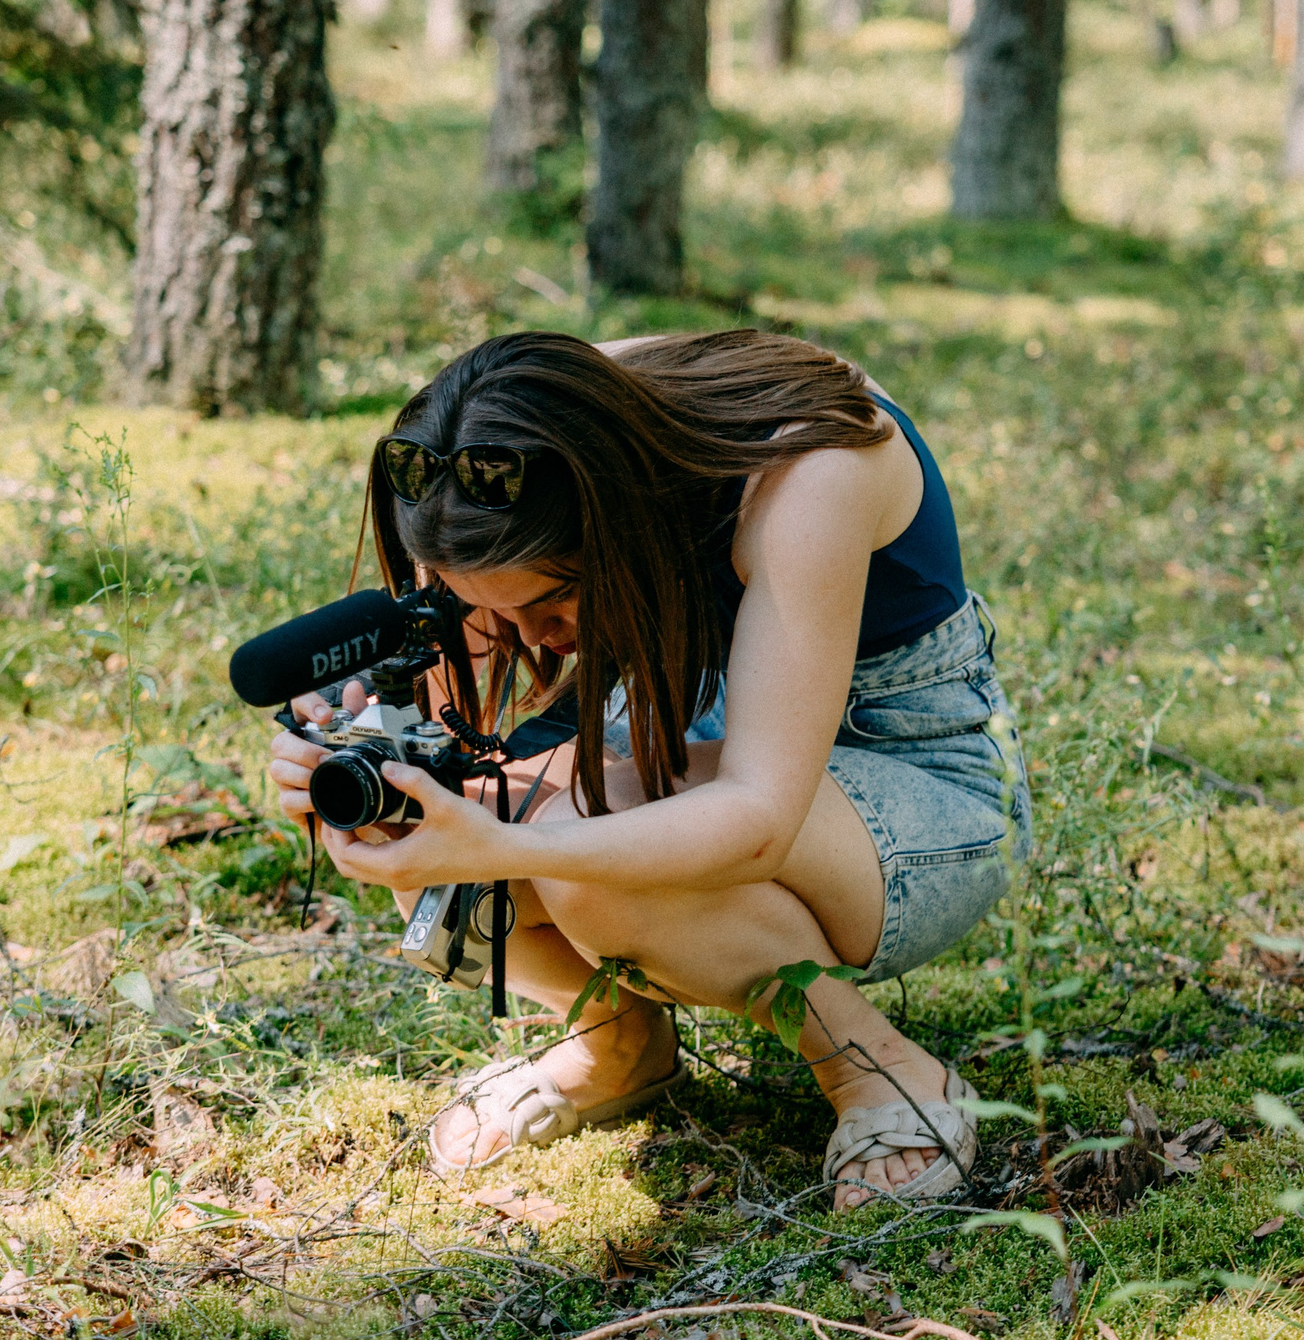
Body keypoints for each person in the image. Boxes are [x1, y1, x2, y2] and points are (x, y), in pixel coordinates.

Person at [266, 330, 1030, 1210]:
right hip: (689, 737)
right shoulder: (519, 438)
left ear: (618, 517)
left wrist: (511, 839)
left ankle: (879, 1069)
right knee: (434, 799)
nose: (534, 642)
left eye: (552, 603)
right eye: (487, 609)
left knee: (565, 833)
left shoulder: (807, 473)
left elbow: (755, 821)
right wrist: (358, 739)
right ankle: (615, 1044)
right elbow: (457, 691)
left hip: (909, 788)